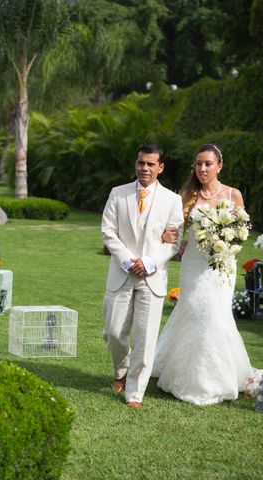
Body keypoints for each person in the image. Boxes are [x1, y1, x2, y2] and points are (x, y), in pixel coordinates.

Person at [152, 143, 262, 405]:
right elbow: (177, 233)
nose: (202, 168)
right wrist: (166, 237)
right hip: (194, 266)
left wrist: (226, 242)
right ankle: (185, 374)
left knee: (216, 314)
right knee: (193, 311)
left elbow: (242, 232)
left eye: (208, 164)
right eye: (198, 163)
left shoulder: (233, 195)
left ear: (219, 166)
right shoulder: (188, 195)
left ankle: (216, 378)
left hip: (221, 268)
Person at [101, 144, 184, 409]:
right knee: (113, 332)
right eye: (140, 163)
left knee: (146, 338)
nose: (144, 168)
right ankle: (121, 371)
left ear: (160, 167)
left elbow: (174, 241)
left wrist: (148, 262)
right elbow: (108, 232)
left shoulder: (172, 200)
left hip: (152, 276)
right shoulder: (118, 193)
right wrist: (128, 260)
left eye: (150, 164)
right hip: (122, 273)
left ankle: (135, 392)